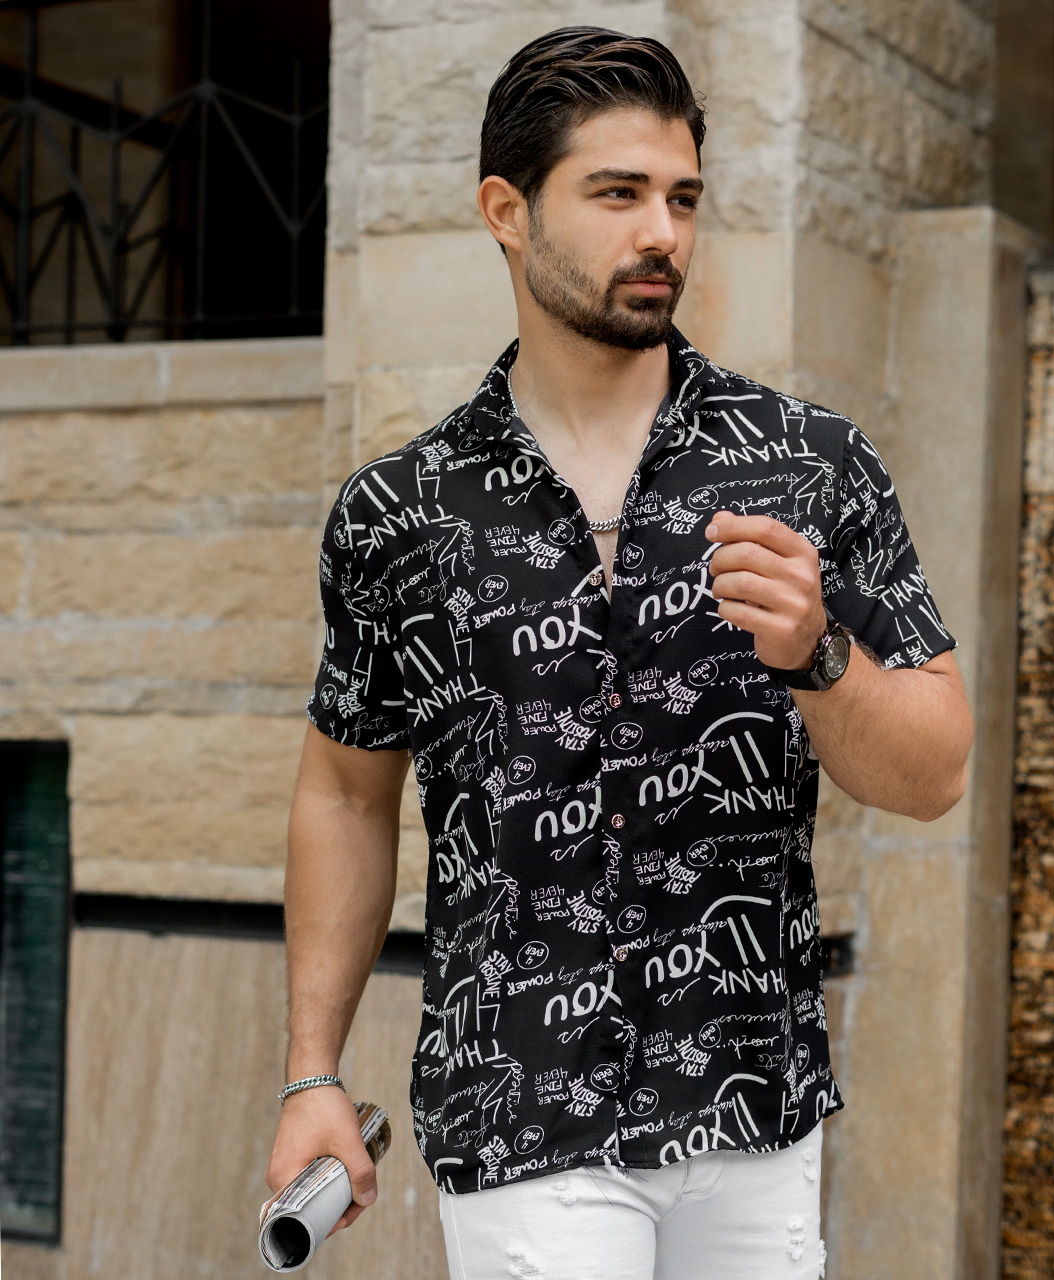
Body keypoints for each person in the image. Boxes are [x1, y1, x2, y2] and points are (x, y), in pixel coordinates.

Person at [265, 26, 972, 1280]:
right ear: (506, 210)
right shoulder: (399, 512)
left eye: (682, 198)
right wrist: (311, 1071)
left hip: (752, 1105)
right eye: (617, 193)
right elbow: (344, 792)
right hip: (521, 1105)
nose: (662, 233)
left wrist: (817, 654)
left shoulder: (807, 466)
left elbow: (934, 771)